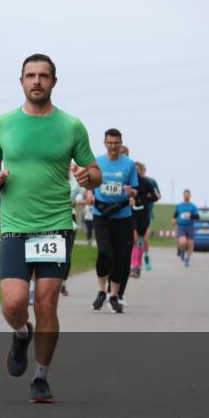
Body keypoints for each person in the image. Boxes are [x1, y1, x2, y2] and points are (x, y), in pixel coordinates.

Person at [0, 54, 101, 402]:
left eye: (43, 76)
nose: (37, 81)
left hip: (56, 226)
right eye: (30, 75)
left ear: (53, 82)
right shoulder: (3, 123)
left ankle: (41, 377)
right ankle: (21, 333)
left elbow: (94, 171)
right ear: (21, 81)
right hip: (15, 226)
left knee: (47, 304)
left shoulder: (71, 125)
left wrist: (87, 177)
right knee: (14, 303)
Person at [90, 128, 138, 314]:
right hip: (101, 213)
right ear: (104, 143)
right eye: (109, 143)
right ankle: (102, 290)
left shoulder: (129, 164)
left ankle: (114, 296)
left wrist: (132, 192)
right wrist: (88, 193)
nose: (113, 146)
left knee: (119, 256)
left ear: (121, 143)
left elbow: (135, 189)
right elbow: (89, 183)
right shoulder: (97, 162)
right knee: (104, 252)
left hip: (122, 215)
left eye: (116, 143)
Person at [129, 162, 160, 277]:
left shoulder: (148, 182)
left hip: (144, 215)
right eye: (134, 169)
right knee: (134, 240)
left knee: (141, 241)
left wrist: (144, 198)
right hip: (131, 215)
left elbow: (156, 196)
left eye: (138, 169)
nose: (136, 172)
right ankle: (133, 266)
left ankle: (139, 265)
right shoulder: (128, 181)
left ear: (142, 171)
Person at [174, 189, 200, 267]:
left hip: (190, 227)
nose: (186, 196)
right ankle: (182, 252)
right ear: (183, 195)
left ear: (190, 196)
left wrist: (190, 215)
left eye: (188, 195)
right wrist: (174, 220)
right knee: (183, 242)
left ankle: (187, 260)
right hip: (181, 227)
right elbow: (175, 214)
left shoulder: (193, 206)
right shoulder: (179, 206)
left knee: (190, 244)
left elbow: (197, 217)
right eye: (185, 195)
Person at [142, 172, 161, 271]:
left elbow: (158, 196)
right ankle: (135, 262)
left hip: (148, 215)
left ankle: (146, 257)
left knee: (145, 239)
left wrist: (150, 195)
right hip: (134, 215)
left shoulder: (151, 181)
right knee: (134, 240)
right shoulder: (132, 181)